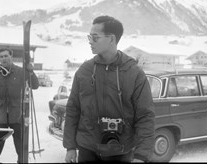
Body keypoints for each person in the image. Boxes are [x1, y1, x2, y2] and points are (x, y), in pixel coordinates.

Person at [63, 16, 155, 163]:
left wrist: (141, 155)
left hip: (121, 151)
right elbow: (73, 108)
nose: (90, 41)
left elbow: (145, 116)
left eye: (95, 37)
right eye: (89, 37)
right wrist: (70, 147)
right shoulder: (84, 71)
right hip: (87, 149)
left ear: (111, 39)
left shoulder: (134, 73)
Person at [0, 47, 39, 163]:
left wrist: (30, 71)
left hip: (17, 116)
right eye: (1, 56)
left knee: (21, 149)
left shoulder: (21, 72)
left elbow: (35, 85)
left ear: (11, 56)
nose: (4, 58)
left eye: (6, 56)